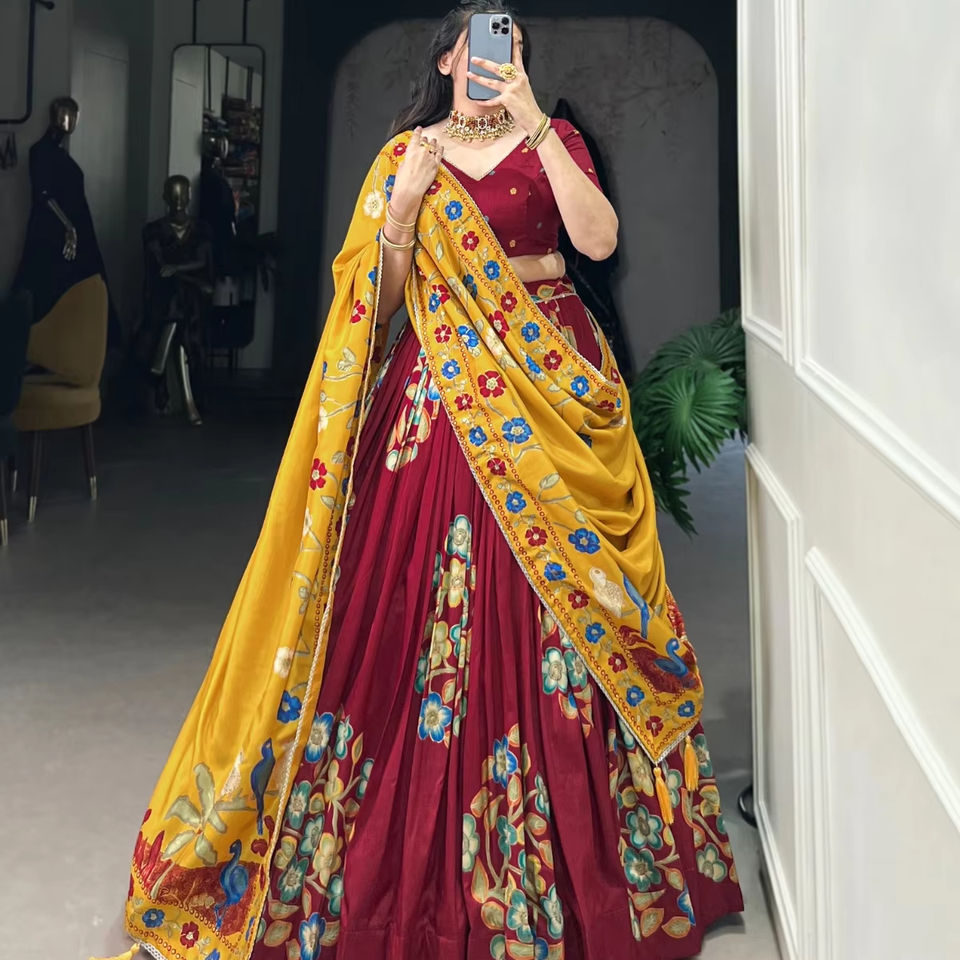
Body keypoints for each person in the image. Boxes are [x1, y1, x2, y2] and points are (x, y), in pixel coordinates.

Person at [97, 4, 743, 960]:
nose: (495, 59)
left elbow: (599, 242)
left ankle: (581, 858)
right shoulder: (406, 156)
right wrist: (400, 212)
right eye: (480, 44)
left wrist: (535, 123)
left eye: (511, 45)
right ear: (445, 60)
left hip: (550, 389)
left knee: (562, 606)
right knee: (403, 603)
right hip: (436, 395)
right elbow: (382, 300)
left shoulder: (554, 139)